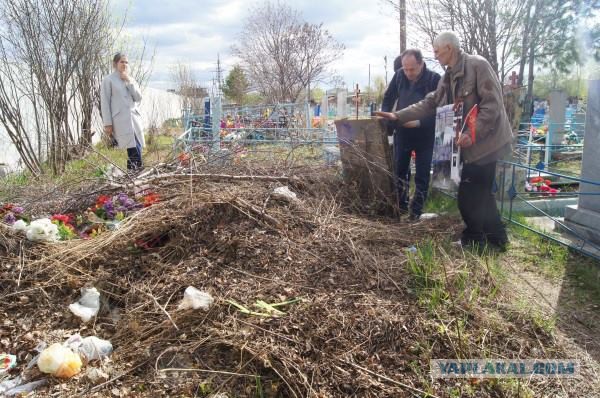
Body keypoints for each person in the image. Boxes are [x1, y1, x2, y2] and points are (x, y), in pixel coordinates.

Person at [375, 31, 512, 251]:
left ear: (449, 48)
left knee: (469, 193)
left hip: (487, 143)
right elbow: (431, 102)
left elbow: (492, 105)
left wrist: (471, 132)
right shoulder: (449, 75)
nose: (435, 56)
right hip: (471, 142)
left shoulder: (478, 65)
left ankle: (474, 239)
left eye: (437, 52)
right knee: (481, 193)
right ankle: (497, 239)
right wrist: (398, 116)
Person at [382, 49, 441, 221]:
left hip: (425, 134)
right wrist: (387, 116)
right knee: (399, 171)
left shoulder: (434, 79)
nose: (408, 73)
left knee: (422, 175)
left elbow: (439, 110)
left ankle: (415, 213)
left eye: (412, 69)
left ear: (421, 63)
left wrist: (419, 122)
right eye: (405, 68)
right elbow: (388, 97)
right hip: (403, 131)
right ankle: (401, 207)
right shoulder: (399, 75)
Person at [101, 53, 144, 171]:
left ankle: (134, 174)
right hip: (120, 120)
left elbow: (138, 98)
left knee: (136, 147)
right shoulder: (108, 80)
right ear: (115, 64)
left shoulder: (130, 79)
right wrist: (107, 123)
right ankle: (136, 174)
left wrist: (129, 81)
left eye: (126, 62)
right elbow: (105, 102)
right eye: (122, 62)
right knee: (133, 148)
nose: (124, 64)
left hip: (134, 120)